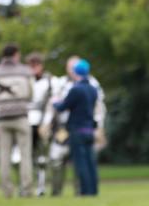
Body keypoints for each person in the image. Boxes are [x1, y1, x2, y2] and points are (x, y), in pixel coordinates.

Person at [41, 56, 107, 196]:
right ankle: (93, 190)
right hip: (89, 129)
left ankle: (84, 191)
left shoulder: (76, 89)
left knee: (80, 162)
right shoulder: (92, 89)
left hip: (76, 129)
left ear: (75, 72)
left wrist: (54, 102)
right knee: (90, 162)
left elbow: (64, 106)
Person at [0, 43, 35, 197]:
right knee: (25, 154)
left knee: (4, 154)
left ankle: (7, 190)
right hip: (21, 115)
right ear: (16, 54)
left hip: (2, 117)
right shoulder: (25, 71)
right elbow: (31, 92)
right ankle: (27, 188)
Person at [26, 52, 55, 196]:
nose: (33, 69)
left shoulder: (49, 81)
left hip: (42, 122)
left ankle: (41, 186)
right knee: (24, 157)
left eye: (36, 65)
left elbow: (51, 104)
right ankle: (26, 185)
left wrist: (46, 123)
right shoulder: (25, 81)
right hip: (27, 122)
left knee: (42, 158)